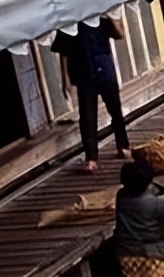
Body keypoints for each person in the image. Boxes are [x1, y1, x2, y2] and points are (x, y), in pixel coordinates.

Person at [52, 18, 131, 173]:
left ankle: (123, 145)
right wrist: (65, 79)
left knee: (115, 110)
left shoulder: (100, 16)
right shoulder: (69, 21)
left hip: (104, 68)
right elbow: (63, 52)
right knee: (87, 116)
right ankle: (91, 157)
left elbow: (120, 34)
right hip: (84, 72)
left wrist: (111, 18)